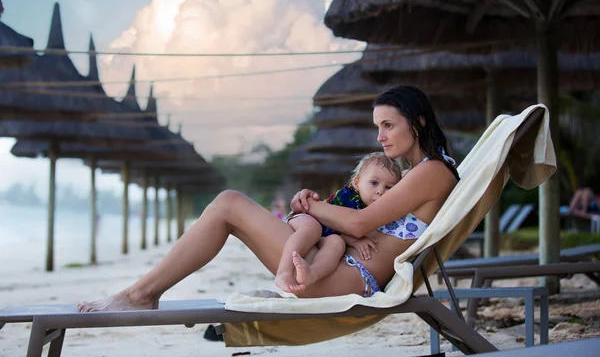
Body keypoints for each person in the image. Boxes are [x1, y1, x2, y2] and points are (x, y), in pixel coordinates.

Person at [77, 84, 459, 312]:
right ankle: (141, 293)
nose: (380, 136)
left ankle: (140, 294)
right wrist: (315, 210)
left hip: (342, 278)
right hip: (333, 267)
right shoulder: (418, 173)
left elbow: (359, 222)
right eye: (377, 127)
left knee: (228, 202)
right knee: (227, 205)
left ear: (419, 121)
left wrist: (308, 205)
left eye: (388, 125)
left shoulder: (433, 171)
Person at [275, 152, 403, 293]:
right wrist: (354, 240)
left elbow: (338, 234)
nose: (380, 191)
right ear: (356, 182)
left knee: (337, 243)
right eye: (374, 183)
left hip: (325, 236)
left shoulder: (375, 211)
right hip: (307, 217)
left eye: (388, 188)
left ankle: (312, 274)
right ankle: (284, 272)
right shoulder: (348, 197)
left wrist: (350, 240)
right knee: (312, 228)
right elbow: (335, 224)